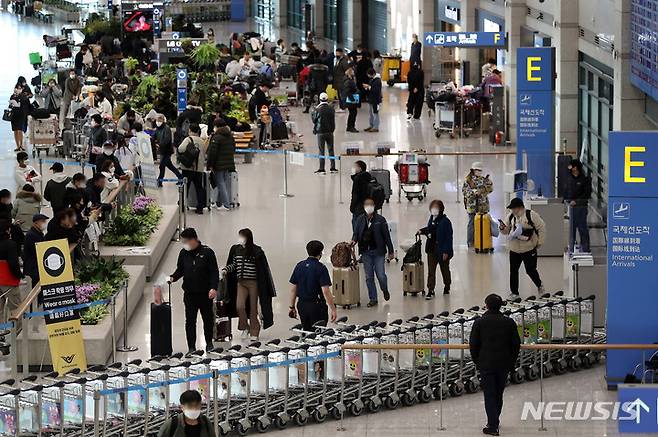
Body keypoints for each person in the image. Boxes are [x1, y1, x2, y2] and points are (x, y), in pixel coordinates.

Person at [469, 293, 521, 436]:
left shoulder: (479, 322)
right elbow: (516, 344)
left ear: (486, 305)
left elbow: (473, 344)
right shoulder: (509, 322)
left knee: (490, 394)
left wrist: (477, 361)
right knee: (498, 393)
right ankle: (494, 420)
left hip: (486, 363)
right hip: (503, 363)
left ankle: (493, 425)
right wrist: (511, 361)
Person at [168, 228, 219, 353]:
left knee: (207, 319)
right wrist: (173, 277)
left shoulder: (207, 253)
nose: (184, 244)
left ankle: (209, 343)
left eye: (186, 241)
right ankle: (191, 347)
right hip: (189, 294)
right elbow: (180, 269)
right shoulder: (183, 253)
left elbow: (214, 272)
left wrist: (214, 288)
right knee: (190, 321)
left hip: (205, 293)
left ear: (193, 240)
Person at [223, 229, 276, 341]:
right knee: (239, 306)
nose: (240, 238)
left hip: (254, 283)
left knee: (253, 308)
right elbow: (233, 264)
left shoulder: (257, 251)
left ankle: (254, 330)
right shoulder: (236, 249)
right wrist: (226, 270)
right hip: (241, 283)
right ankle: (244, 326)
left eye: (242, 236)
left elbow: (262, 269)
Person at [499, 198, 546, 297]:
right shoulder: (511, 216)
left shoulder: (531, 215)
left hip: (528, 249)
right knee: (513, 271)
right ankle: (514, 292)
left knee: (530, 270)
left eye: (513, 208)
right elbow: (506, 231)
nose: (512, 210)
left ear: (520, 207)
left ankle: (539, 285)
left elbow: (541, 228)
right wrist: (502, 228)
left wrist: (540, 242)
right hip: (514, 249)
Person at [352, 199, 394, 307]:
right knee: (369, 277)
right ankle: (373, 298)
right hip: (366, 252)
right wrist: (353, 240)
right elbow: (356, 233)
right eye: (367, 205)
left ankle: (384, 289)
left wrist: (391, 251)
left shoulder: (380, 220)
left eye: (371, 205)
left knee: (381, 275)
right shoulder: (360, 219)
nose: (369, 207)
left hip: (378, 252)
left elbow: (386, 236)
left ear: (374, 206)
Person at [289, 240, 337, 331]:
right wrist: (333, 309)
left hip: (302, 305)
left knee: (306, 331)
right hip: (317, 306)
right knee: (318, 333)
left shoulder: (299, 266)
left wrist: (292, 307)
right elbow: (325, 291)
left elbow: (293, 289)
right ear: (320, 253)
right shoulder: (321, 268)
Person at [417, 200, 453, 299]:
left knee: (444, 270)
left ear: (441, 209)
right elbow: (430, 229)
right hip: (431, 249)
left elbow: (449, 238)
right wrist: (422, 231)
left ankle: (447, 285)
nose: (434, 209)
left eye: (436, 207)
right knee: (431, 271)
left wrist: (446, 251)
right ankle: (430, 289)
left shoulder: (446, 222)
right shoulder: (431, 219)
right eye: (432, 207)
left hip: (442, 250)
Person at [206, 118, 235, 211]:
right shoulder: (230, 136)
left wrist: (209, 164)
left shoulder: (216, 137)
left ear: (216, 126)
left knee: (220, 183)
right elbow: (233, 149)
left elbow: (212, 153)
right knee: (222, 183)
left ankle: (226, 204)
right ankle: (218, 202)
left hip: (218, 164)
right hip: (228, 162)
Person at [462, 162, 494, 248]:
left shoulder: (484, 180)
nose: (479, 171)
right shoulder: (468, 180)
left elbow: (490, 188)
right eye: (477, 170)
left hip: (483, 206)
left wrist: (483, 190)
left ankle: (482, 241)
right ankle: (470, 242)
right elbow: (465, 192)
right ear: (473, 170)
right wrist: (474, 193)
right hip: (472, 206)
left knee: (483, 223)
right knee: (471, 224)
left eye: (480, 170)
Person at [178, 124, 208, 215]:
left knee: (185, 187)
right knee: (199, 187)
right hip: (199, 168)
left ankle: (182, 205)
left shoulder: (188, 139)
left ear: (190, 130)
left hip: (188, 167)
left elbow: (180, 149)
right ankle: (200, 207)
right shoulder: (202, 141)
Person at [564, 159, 592, 253]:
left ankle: (585, 249)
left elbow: (587, 194)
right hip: (571, 209)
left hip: (581, 208)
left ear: (575, 168)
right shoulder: (569, 179)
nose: (570, 168)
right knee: (571, 230)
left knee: (582, 228)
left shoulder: (585, 180)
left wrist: (576, 201)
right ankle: (571, 249)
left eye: (571, 166)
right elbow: (566, 192)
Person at [0, 220, 22, 324]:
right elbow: (13, 263)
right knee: (16, 310)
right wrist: (19, 275)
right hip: (8, 280)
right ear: (7, 231)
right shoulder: (10, 244)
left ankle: (1, 335)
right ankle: (14, 335)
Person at [153, 114, 182, 186]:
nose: (158, 122)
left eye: (159, 120)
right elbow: (154, 136)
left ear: (163, 121)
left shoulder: (167, 128)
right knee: (170, 166)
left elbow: (167, 139)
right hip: (162, 150)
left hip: (167, 151)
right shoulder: (157, 129)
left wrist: (159, 144)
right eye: (157, 120)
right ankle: (180, 177)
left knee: (162, 166)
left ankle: (159, 181)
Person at [311, 92, 336, 174]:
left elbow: (314, 120)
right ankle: (333, 168)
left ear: (319, 99)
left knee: (321, 150)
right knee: (331, 150)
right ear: (327, 99)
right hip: (330, 132)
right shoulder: (331, 109)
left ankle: (322, 169)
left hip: (320, 132)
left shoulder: (317, 109)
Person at [22, 213, 48, 288]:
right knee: (36, 286)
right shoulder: (31, 235)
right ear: (36, 223)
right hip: (34, 266)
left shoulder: (39, 233)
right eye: (42, 221)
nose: (44, 223)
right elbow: (36, 250)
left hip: (37, 265)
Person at [349, 160, 372, 228]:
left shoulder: (357, 179)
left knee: (356, 226)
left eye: (355, 167)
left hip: (359, 208)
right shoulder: (369, 177)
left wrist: (352, 207)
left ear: (360, 168)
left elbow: (355, 195)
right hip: (368, 206)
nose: (353, 168)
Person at [248, 83, 272, 148]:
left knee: (262, 128)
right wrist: (270, 101)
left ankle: (261, 143)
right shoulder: (260, 93)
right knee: (262, 129)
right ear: (264, 87)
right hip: (260, 114)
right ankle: (261, 144)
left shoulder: (257, 91)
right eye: (267, 89)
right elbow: (264, 103)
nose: (267, 90)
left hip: (258, 113)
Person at [9, 84, 29, 151]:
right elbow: (10, 105)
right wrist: (14, 97)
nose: (18, 90)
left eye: (19, 88)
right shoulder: (12, 96)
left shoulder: (23, 96)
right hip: (14, 115)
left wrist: (19, 96)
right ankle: (17, 146)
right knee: (15, 130)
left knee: (20, 130)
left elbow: (25, 103)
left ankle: (21, 145)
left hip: (21, 115)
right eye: (17, 88)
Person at [363, 68, 382, 132]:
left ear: (373, 74)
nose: (368, 76)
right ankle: (371, 125)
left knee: (375, 113)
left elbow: (376, 90)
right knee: (371, 113)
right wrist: (368, 87)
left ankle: (376, 127)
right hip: (371, 99)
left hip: (375, 100)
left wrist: (368, 87)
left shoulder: (377, 81)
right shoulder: (372, 80)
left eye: (369, 74)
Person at [342, 67, 359, 133]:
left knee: (351, 113)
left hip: (348, 99)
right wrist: (352, 100)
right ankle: (351, 127)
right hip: (350, 99)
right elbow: (348, 91)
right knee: (353, 113)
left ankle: (349, 126)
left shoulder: (347, 79)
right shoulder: (348, 81)